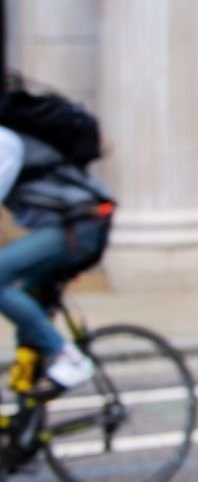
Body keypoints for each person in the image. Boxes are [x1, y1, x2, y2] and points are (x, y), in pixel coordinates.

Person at [0, 122, 115, 392]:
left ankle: (68, 358)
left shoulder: (5, 140)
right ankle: (29, 424)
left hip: (82, 225)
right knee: (28, 318)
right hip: (66, 227)